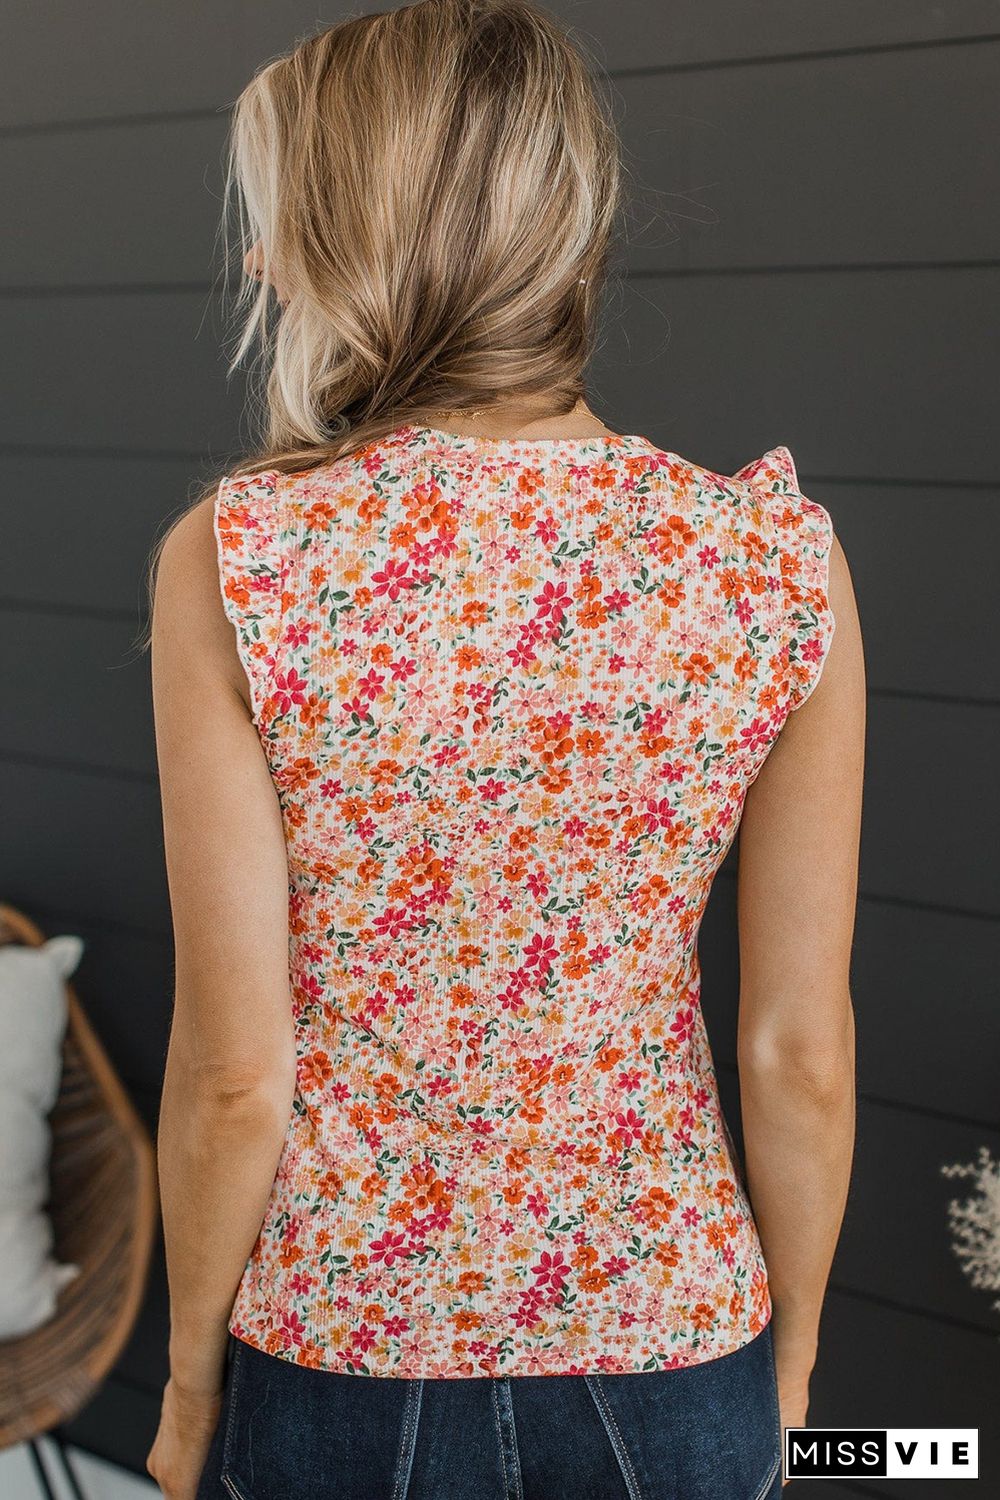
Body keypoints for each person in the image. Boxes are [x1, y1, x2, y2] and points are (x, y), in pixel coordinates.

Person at [143, 2, 863, 1496]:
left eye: (282, 225)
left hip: (339, 1350)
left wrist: (188, 1384)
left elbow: (232, 1075)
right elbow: (798, 1053)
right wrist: (789, 1361)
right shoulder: (771, 563)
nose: (263, 264)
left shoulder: (244, 559)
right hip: (676, 1345)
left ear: (365, 242)